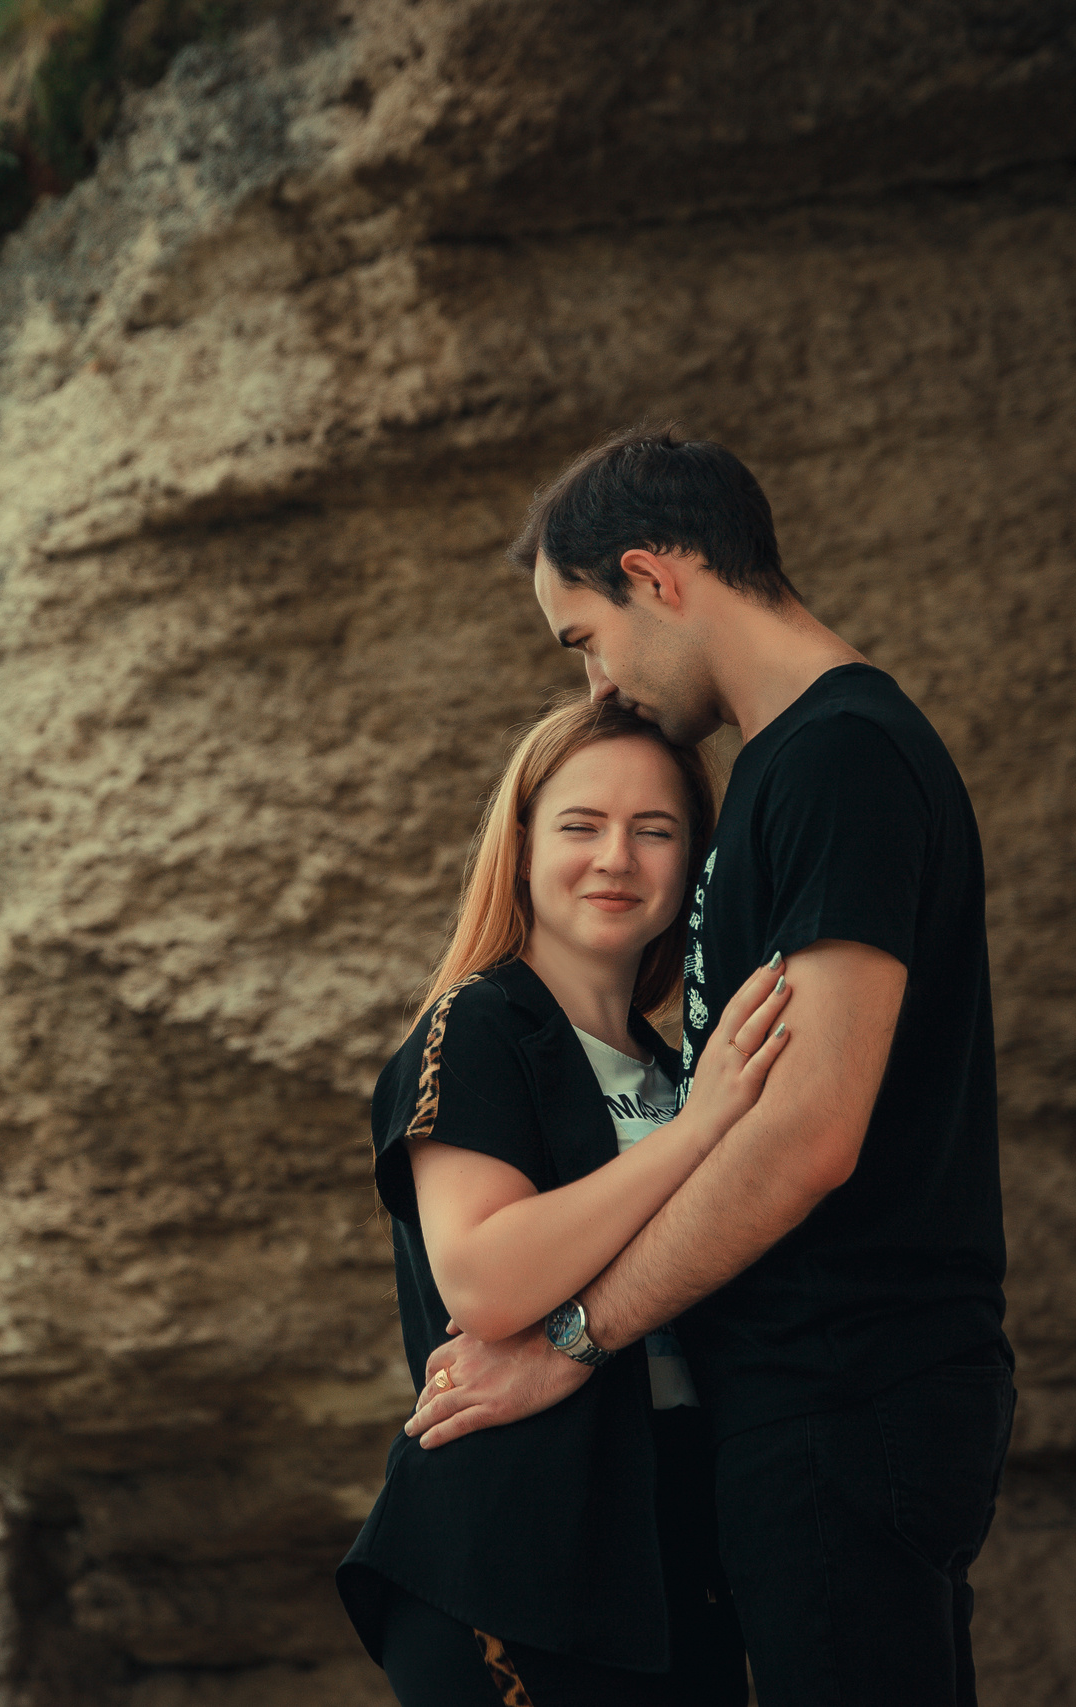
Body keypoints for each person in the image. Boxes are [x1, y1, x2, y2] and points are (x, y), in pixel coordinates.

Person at [400, 426, 1017, 1706]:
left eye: (585, 637)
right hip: (807, 1413)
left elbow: (804, 1134)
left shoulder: (837, 758)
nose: (600, 687)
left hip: (849, 1396)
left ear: (654, 577)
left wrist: (571, 1339)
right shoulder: (786, 770)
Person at [337, 696, 793, 1703]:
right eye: (580, 825)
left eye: (655, 830)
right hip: (511, 1563)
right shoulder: (481, 1026)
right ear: (523, 844)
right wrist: (700, 1128)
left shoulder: (678, 1067)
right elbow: (490, 1282)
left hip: (671, 1561)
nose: (616, 860)